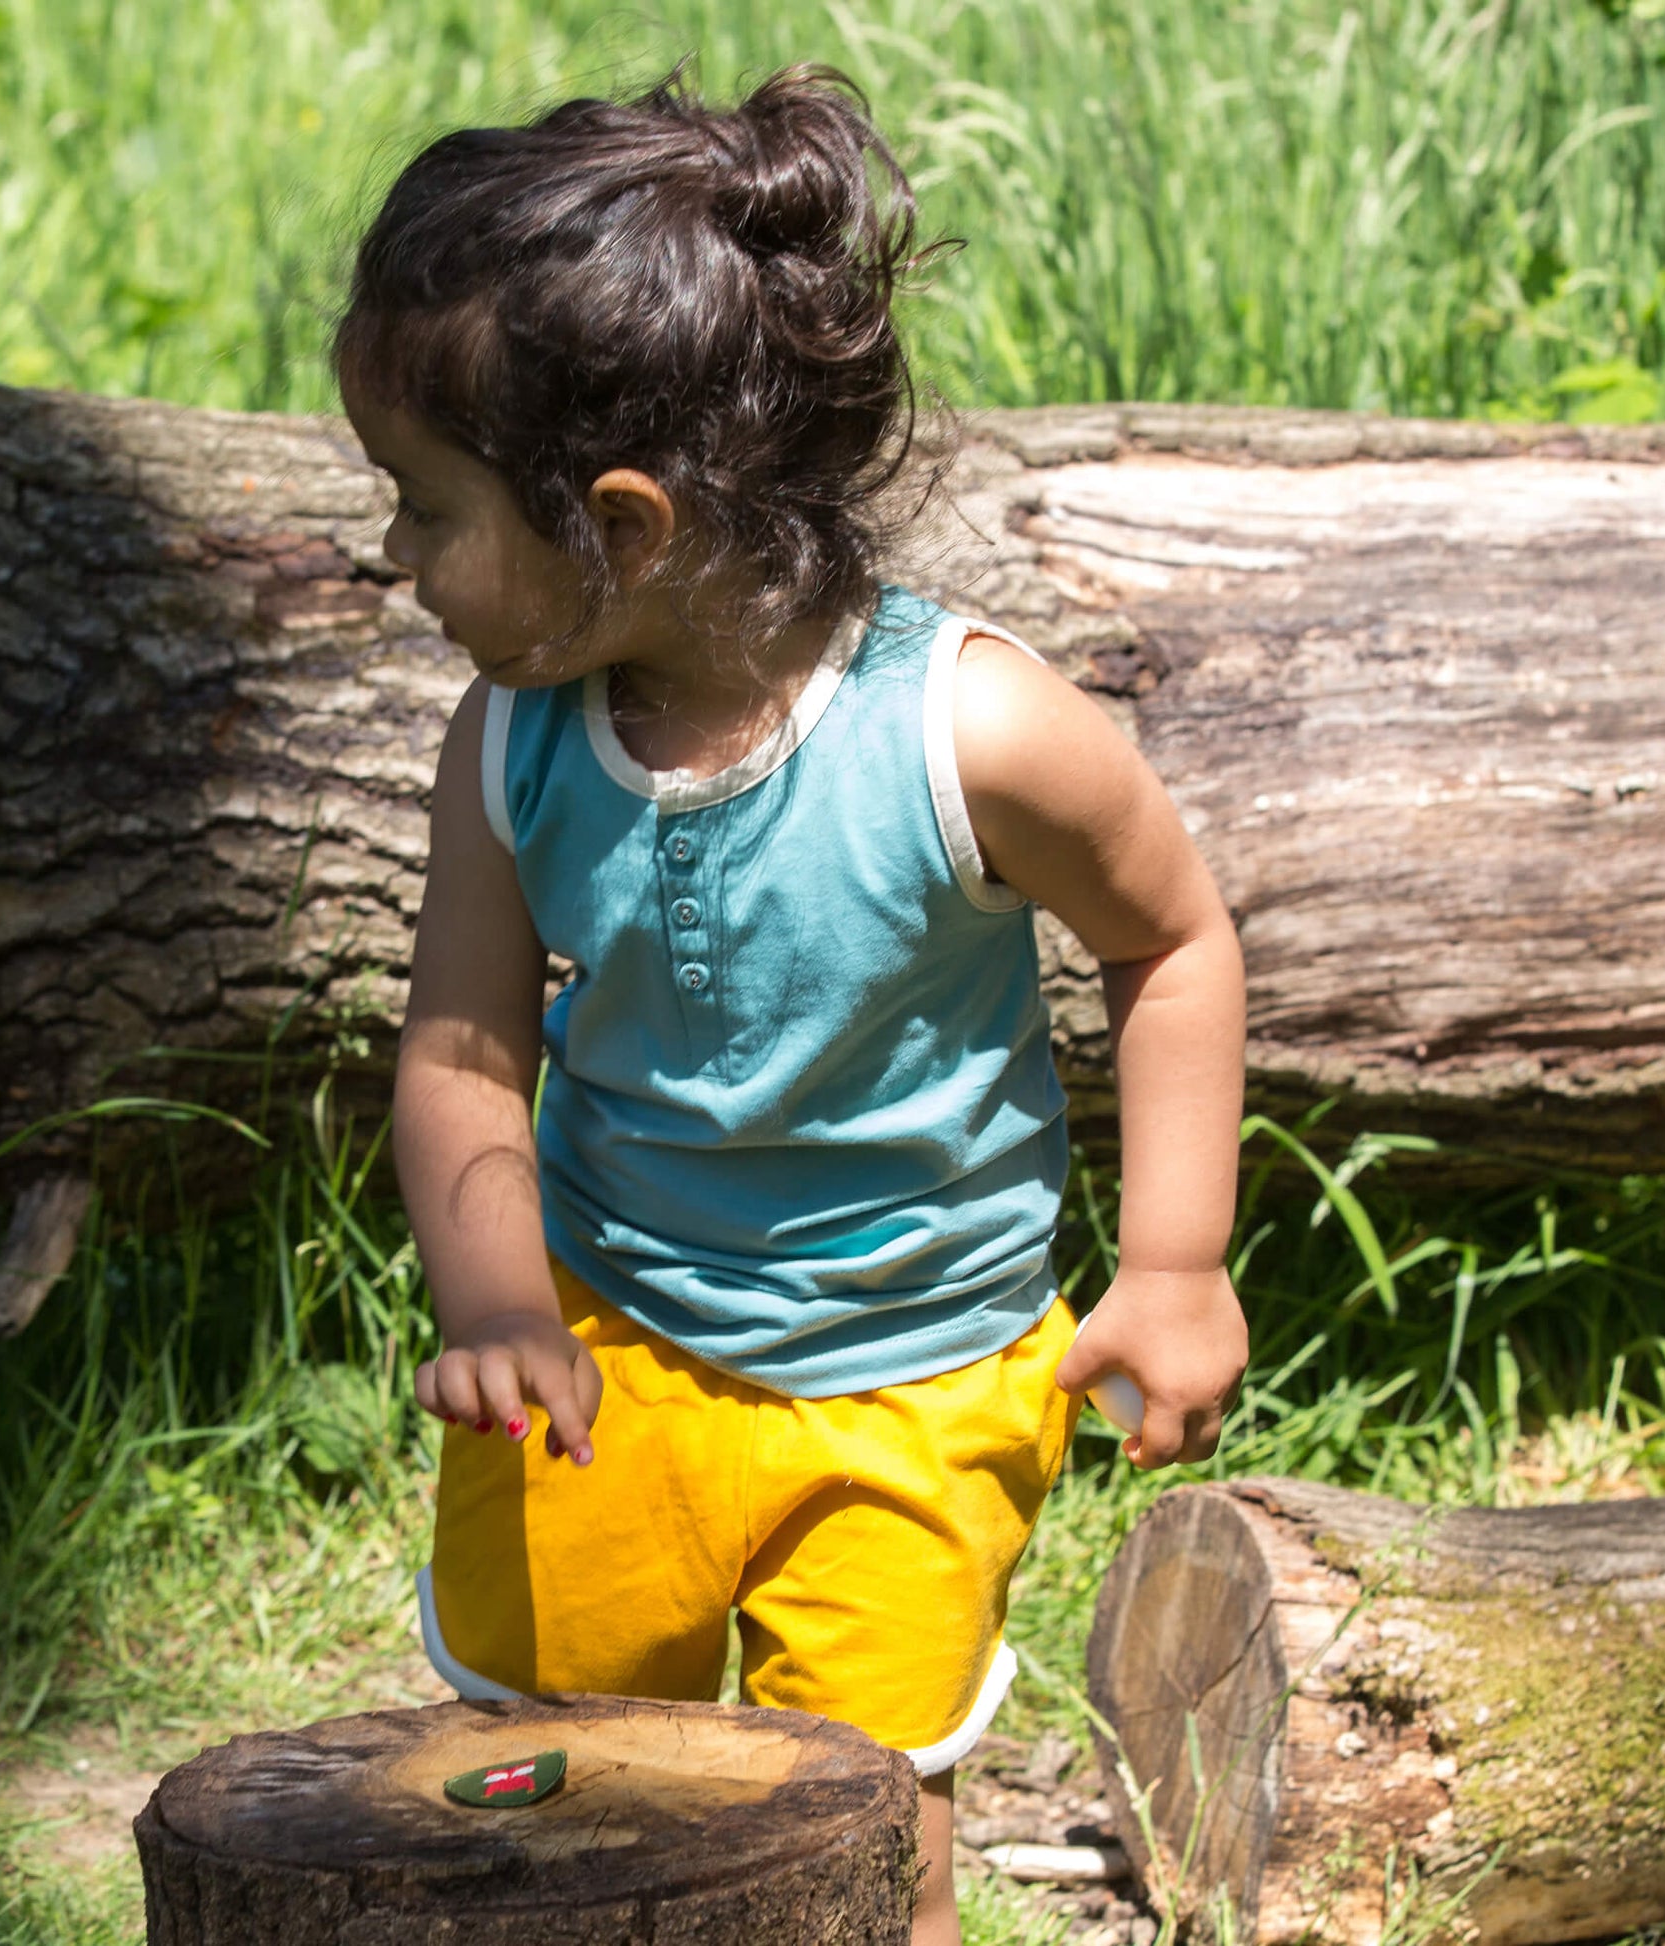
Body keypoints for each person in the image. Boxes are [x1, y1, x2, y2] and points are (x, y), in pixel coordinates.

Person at [335, 57, 1248, 1946]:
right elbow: (463, 1049)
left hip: (913, 1365)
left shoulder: (965, 727)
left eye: (422, 512)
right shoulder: (509, 742)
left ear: (627, 526)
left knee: (863, 1812)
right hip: (601, 1344)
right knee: (561, 1787)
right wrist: (497, 1299)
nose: (392, 561)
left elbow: (1170, 943)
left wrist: (1171, 1261)